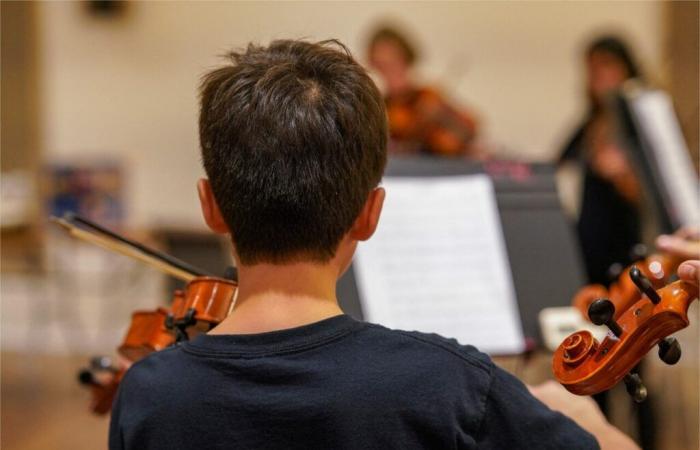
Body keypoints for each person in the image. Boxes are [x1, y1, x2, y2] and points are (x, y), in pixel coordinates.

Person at [109, 39, 636, 449]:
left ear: (210, 206)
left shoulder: (149, 394)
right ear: (370, 214)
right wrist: (593, 424)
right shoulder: (452, 387)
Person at [559, 36, 643, 286]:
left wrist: (622, 175)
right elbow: (560, 166)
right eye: (591, 68)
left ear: (626, 68)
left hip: (624, 250)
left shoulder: (638, 122)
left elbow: (653, 198)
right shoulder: (590, 121)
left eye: (606, 65)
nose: (597, 75)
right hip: (586, 252)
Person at [367, 26, 483, 158]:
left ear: (406, 61)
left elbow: (469, 128)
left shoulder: (428, 96)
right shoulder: (378, 105)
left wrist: (441, 116)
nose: (391, 75)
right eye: (383, 67)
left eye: (395, 65)